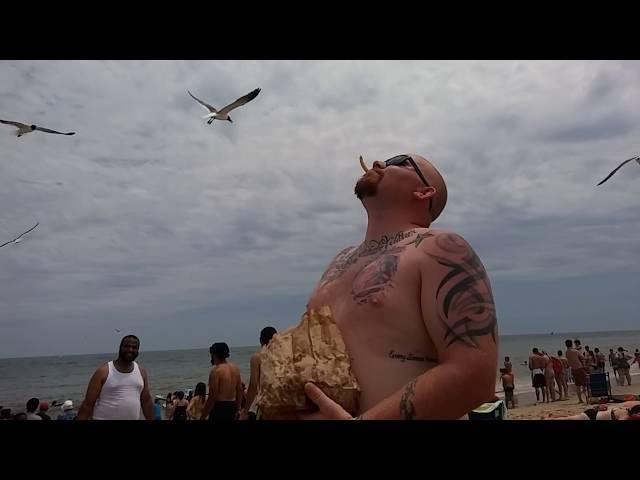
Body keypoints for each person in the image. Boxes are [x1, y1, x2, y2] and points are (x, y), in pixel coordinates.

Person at [298, 154, 498, 420]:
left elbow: (475, 374)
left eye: (399, 161)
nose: (380, 162)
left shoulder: (440, 248)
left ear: (424, 191)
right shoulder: (340, 260)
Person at [76, 335, 154, 420]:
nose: (130, 350)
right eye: (127, 346)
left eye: (134, 347)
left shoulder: (141, 372)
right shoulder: (104, 371)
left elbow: (146, 401)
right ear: (120, 348)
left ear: (138, 351)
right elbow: (88, 404)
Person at [201, 342, 243, 420]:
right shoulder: (235, 368)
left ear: (214, 354)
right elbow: (240, 390)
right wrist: (238, 409)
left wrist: (203, 416)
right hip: (232, 405)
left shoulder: (216, 371)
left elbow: (212, 397)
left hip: (220, 408)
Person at [244, 326, 278, 420]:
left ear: (260, 340)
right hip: (282, 403)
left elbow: (253, 385)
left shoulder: (257, 358)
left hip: (265, 404)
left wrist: (245, 410)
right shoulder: (282, 355)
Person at [546, 401, 640, 421]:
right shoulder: (625, 416)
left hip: (594, 412)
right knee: (569, 419)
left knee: (570, 418)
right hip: (591, 417)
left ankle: (553, 416)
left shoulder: (624, 409)